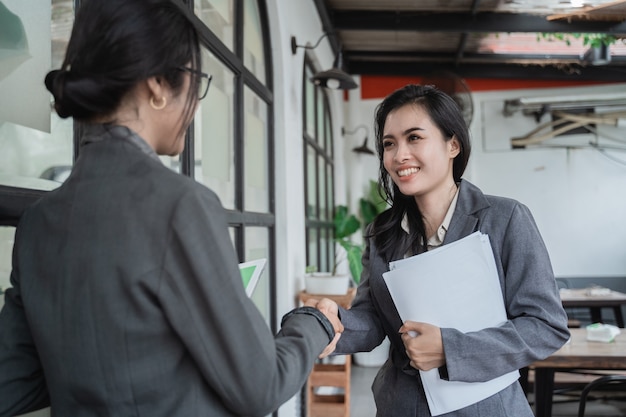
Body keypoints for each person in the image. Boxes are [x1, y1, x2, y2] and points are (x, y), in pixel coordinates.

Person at [0, 1, 341, 416]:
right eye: (194, 81)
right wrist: (314, 322)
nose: (195, 105)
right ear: (159, 84)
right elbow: (262, 384)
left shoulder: (36, 222)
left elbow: (12, 383)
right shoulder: (180, 206)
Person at [314, 84, 570, 416]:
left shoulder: (505, 219)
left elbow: (545, 326)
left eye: (414, 138)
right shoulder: (383, 232)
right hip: (402, 406)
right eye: (389, 144)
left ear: (453, 145)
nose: (398, 155)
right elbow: (374, 319)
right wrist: (331, 323)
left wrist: (451, 349)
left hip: (485, 408)